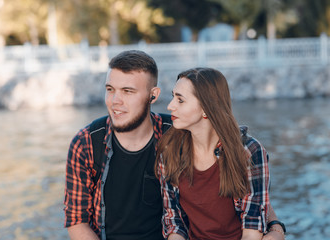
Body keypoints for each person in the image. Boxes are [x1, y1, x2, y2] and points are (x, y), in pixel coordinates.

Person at [63, 50, 286, 240]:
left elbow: (252, 192)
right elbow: (76, 221)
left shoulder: (176, 132)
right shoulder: (87, 143)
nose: (114, 101)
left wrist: (276, 229)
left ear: (153, 95)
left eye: (127, 91)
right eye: (110, 89)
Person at [156, 67, 286, 240]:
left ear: (205, 109)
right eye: (173, 96)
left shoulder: (249, 151)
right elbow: (174, 222)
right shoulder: (170, 151)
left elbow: (252, 229)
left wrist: (277, 229)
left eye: (180, 100)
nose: (170, 105)